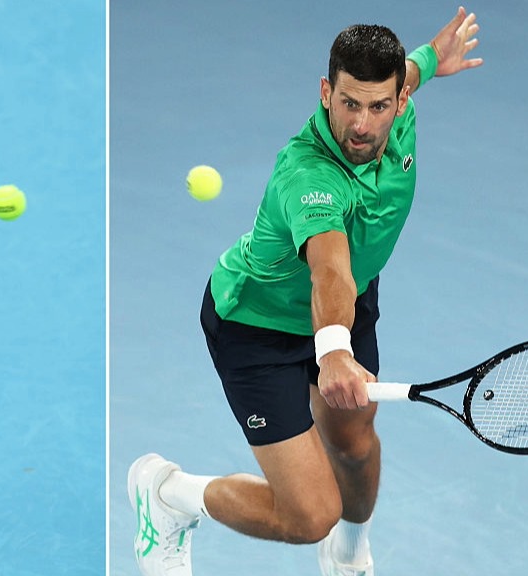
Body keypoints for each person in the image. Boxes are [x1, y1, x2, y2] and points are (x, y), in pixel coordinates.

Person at [128, 7, 483, 576]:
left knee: (356, 444)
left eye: (378, 106)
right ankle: (168, 495)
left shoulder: (397, 101)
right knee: (308, 514)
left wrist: (432, 59)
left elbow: (410, 70)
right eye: (348, 103)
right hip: (257, 327)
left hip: (349, 307)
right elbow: (329, 268)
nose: (362, 125)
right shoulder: (309, 175)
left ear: (399, 101)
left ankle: (346, 554)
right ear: (325, 92)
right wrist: (334, 351)